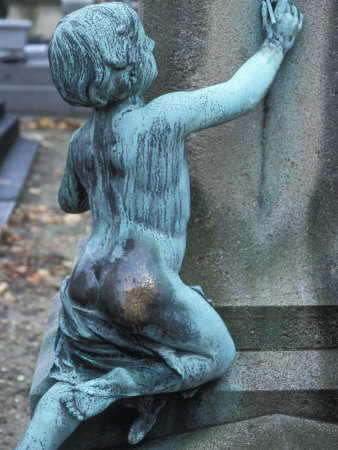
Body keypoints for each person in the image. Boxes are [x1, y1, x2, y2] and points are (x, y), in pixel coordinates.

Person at [17, 1, 302, 448]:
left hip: (85, 282)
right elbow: (241, 94)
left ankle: (42, 433)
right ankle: (113, 387)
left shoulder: (80, 142)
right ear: (127, 69)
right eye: (142, 42)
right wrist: (275, 43)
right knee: (218, 355)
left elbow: (69, 202)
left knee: (65, 384)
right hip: (140, 280)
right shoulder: (163, 118)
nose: (152, 43)